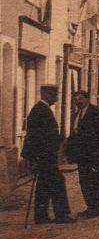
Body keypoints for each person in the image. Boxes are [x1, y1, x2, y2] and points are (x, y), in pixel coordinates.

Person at [21, 85, 76, 224]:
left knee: (44, 186)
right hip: (44, 156)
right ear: (45, 94)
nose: (56, 98)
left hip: (44, 156)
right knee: (57, 183)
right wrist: (37, 157)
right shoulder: (40, 110)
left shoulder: (42, 109)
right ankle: (61, 215)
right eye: (54, 94)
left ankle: (41, 216)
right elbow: (35, 136)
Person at [67, 90, 99, 218]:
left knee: (96, 181)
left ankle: (96, 208)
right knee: (84, 181)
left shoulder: (96, 113)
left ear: (87, 99)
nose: (78, 102)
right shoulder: (77, 114)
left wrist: (96, 152)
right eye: (75, 100)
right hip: (83, 155)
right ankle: (90, 207)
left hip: (96, 154)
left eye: (80, 99)